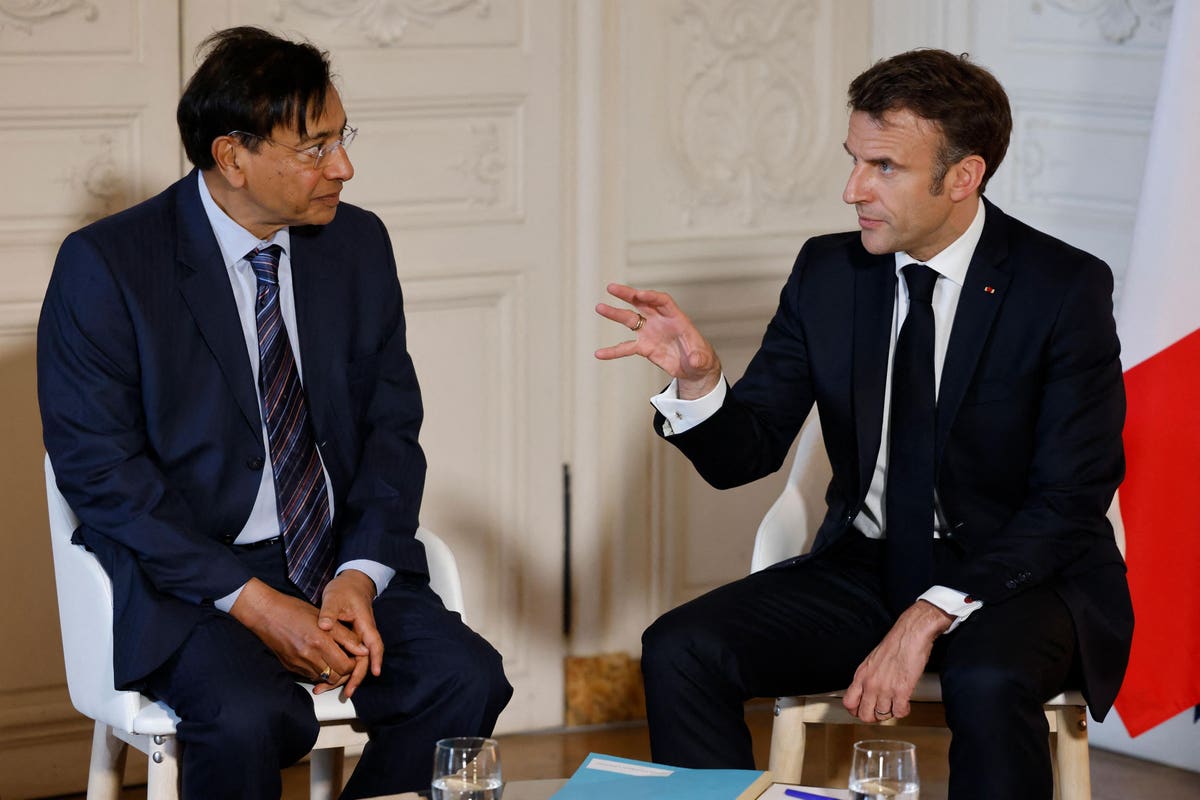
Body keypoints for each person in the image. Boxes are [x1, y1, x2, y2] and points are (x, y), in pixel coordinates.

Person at [596, 49, 1132, 800]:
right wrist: (700, 382)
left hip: (1021, 578)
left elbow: (1069, 501)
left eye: (883, 167)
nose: (853, 190)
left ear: (963, 176)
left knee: (985, 676)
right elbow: (744, 455)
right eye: (854, 160)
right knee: (681, 647)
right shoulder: (829, 273)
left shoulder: (1061, 286)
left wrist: (929, 614)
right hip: (869, 567)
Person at [38, 26, 511, 799]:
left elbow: (392, 430)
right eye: (315, 148)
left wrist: (359, 574)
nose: (343, 167)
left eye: (342, 139)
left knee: (465, 678)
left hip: (333, 558)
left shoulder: (357, 245)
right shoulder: (109, 267)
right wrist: (255, 605)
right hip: (188, 579)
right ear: (233, 157)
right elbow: (102, 476)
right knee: (247, 716)